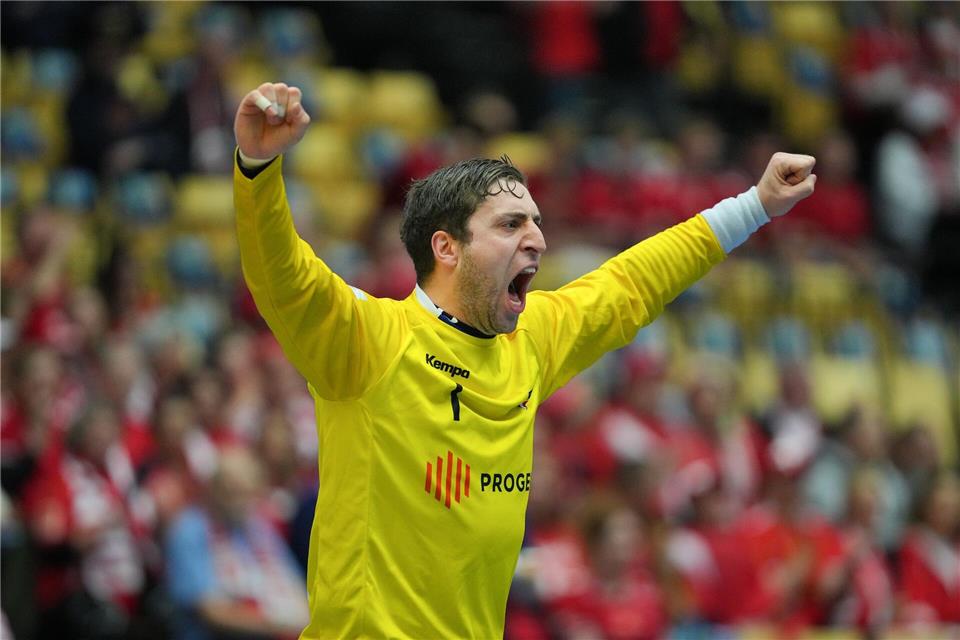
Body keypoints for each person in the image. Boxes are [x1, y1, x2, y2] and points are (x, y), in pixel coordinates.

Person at [232, 81, 817, 638]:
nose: (537, 238)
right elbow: (285, 278)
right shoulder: (370, 340)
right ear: (447, 247)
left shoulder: (531, 340)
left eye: (537, 222)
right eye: (512, 224)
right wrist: (258, 170)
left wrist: (756, 205)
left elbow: (635, 282)